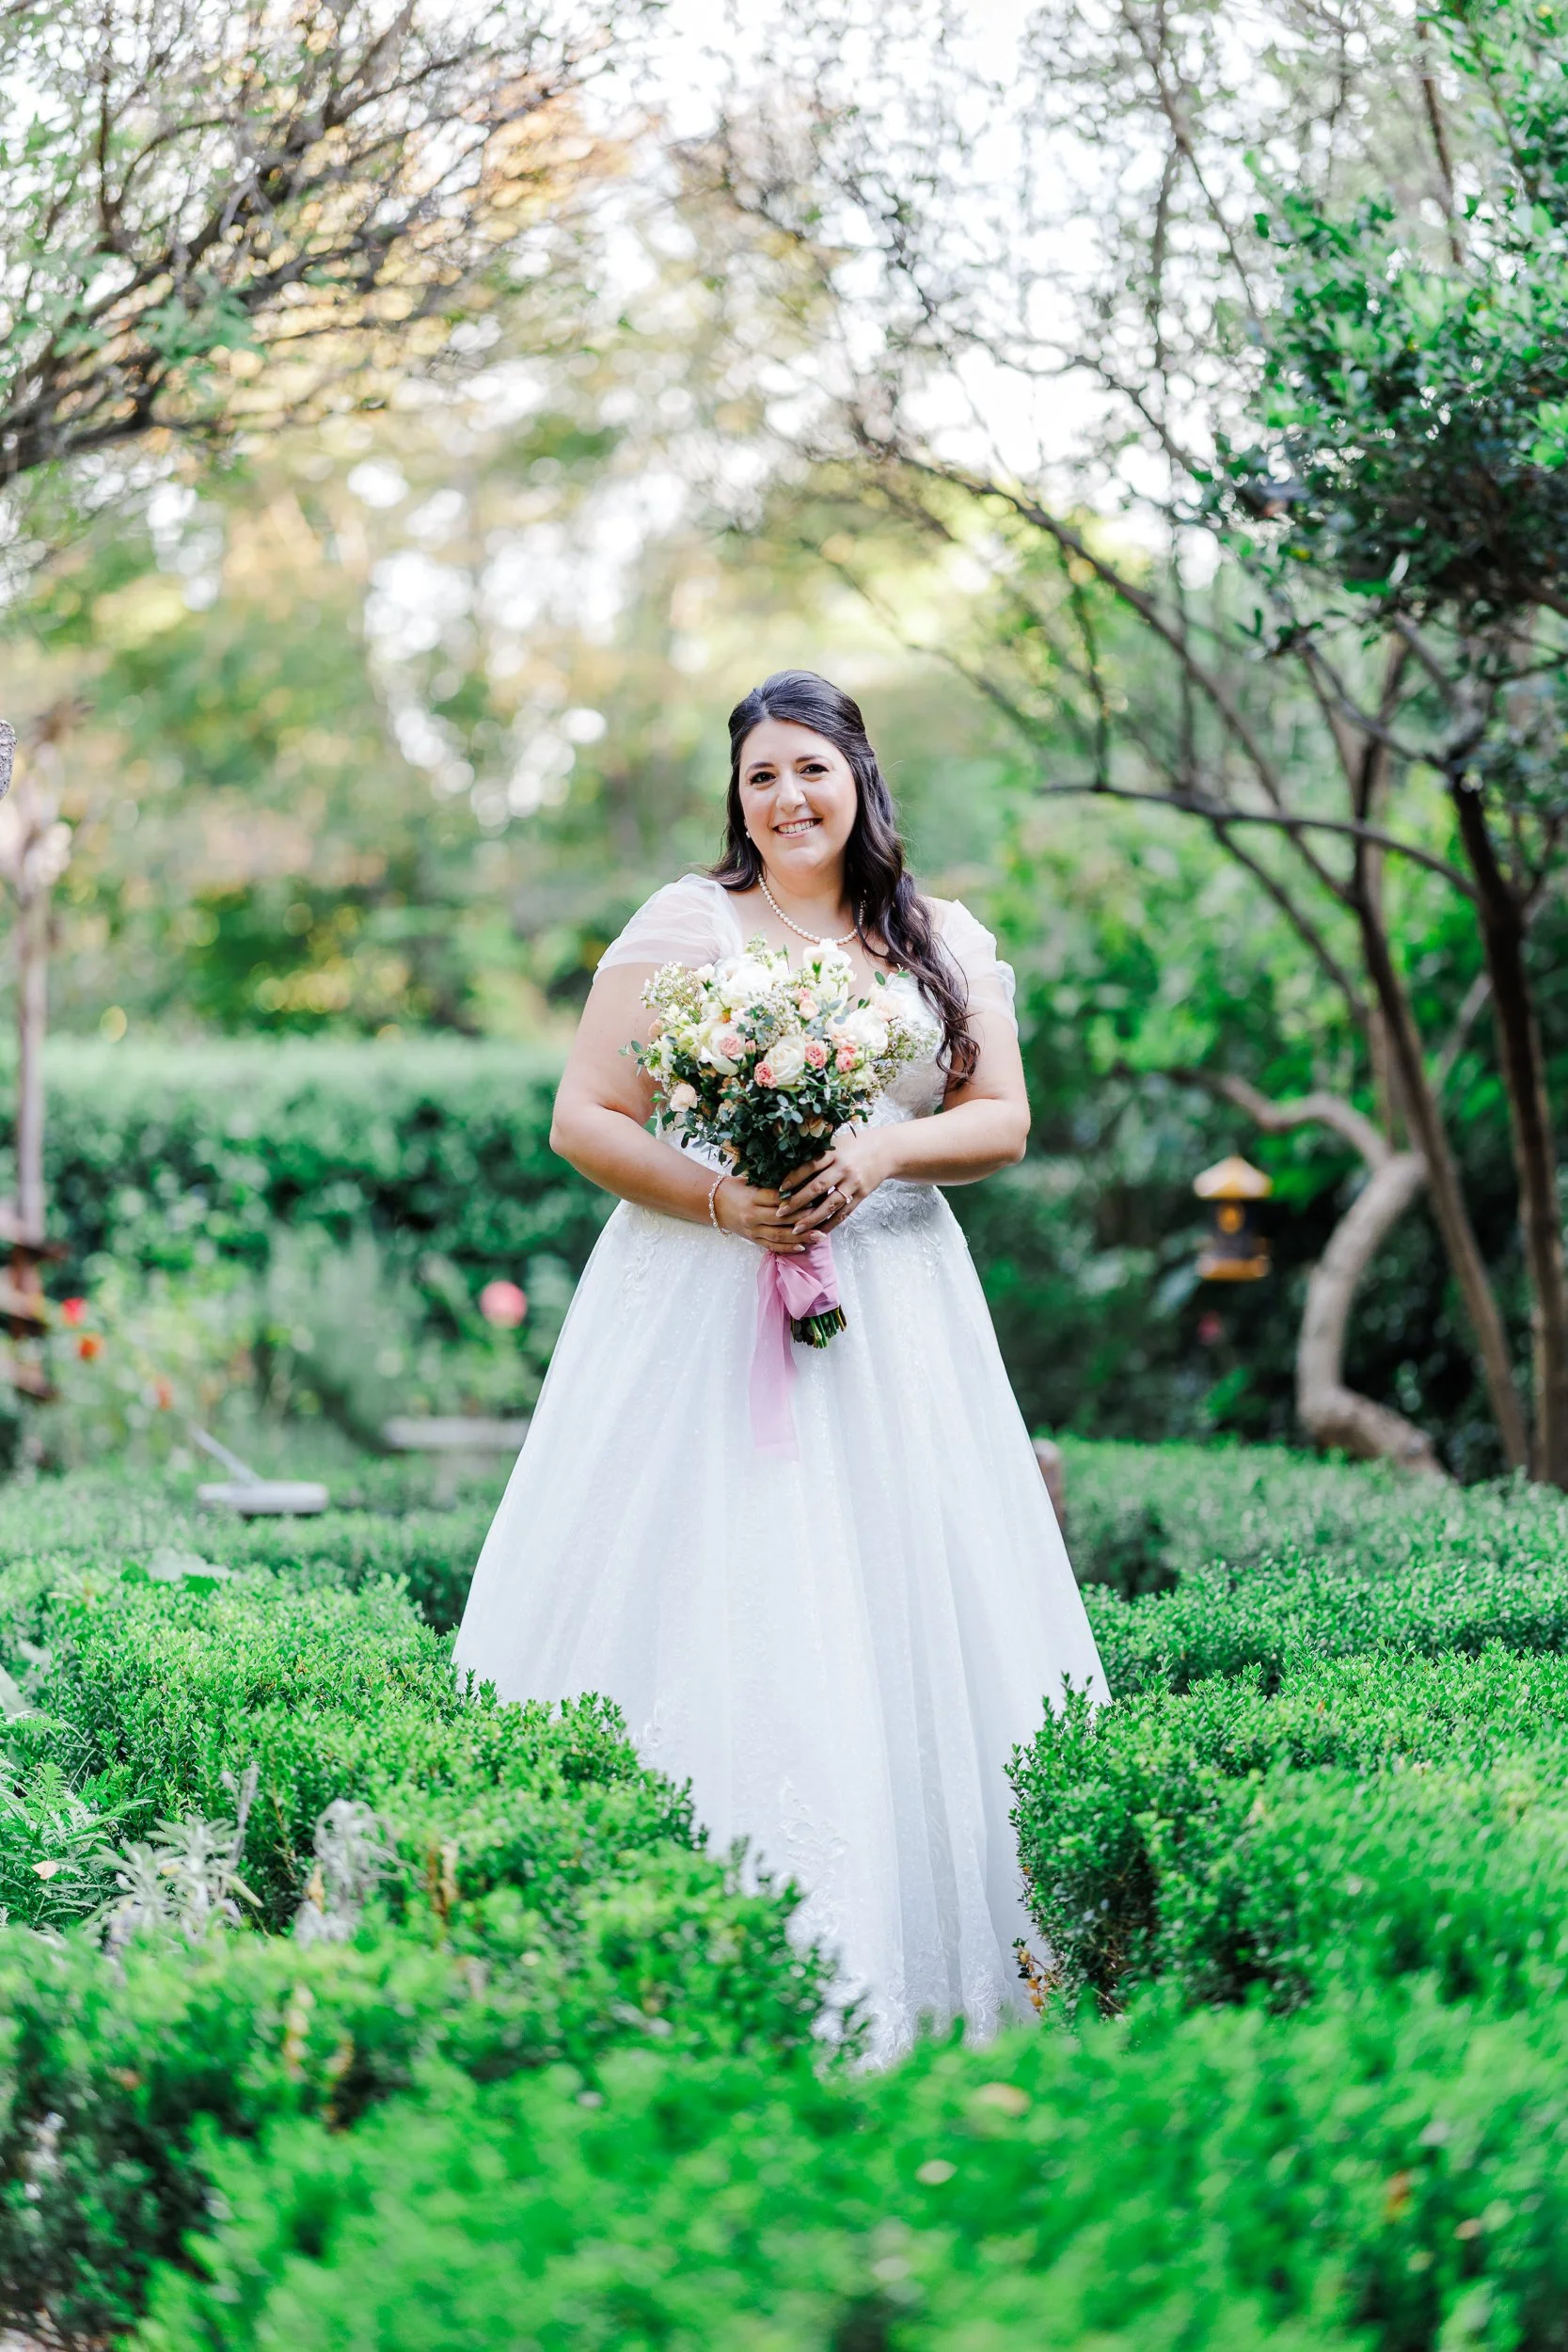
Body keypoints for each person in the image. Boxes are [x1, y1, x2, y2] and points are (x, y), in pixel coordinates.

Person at [454, 670, 1105, 2060]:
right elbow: (586, 1113)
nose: (787, 798)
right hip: (697, 1299)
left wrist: (877, 1146)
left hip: (900, 1310)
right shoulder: (687, 924)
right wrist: (720, 1201)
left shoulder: (938, 937)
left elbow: (999, 1119)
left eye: (810, 768)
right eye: (760, 776)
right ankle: (641, 1944)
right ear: (735, 797)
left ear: (859, 777)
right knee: (719, 1571)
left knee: (903, 1594)